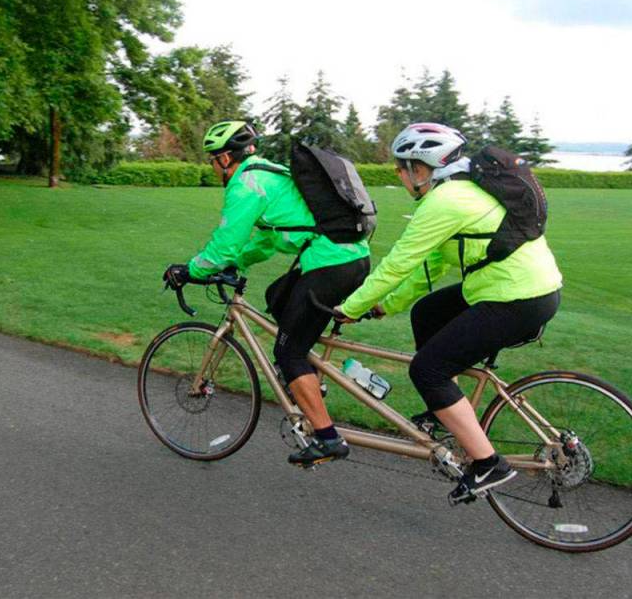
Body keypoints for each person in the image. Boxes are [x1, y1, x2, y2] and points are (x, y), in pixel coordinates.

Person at [334, 123, 562, 503]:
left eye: (401, 168)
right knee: (427, 313)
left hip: (516, 297)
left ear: (420, 169)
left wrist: (349, 308)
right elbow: (431, 268)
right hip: (521, 289)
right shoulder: (461, 194)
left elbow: (398, 263)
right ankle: (444, 408)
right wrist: (382, 305)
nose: (399, 176)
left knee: (427, 369)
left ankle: (488, 463)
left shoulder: (445, 202)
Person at [163, 120, 370, 467]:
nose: (213, 167)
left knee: (288, 351)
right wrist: (237, 264)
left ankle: (327, 438)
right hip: (346, 258)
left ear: (226, 158)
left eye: (213, 160)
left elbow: (224, 245)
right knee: (278, 297)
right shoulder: (269, 173)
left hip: (330, 264)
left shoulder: (245, 184)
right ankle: (307, 382)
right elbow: (266, 239)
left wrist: (192, 270)